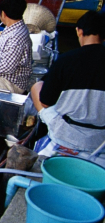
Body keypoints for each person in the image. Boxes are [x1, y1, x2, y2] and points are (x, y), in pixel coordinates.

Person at [31, 11, 105, 157]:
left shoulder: (66, 60)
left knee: (36, 87)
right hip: (100, 138)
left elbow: (45, 102)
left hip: (66, 134)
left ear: (79, 31)